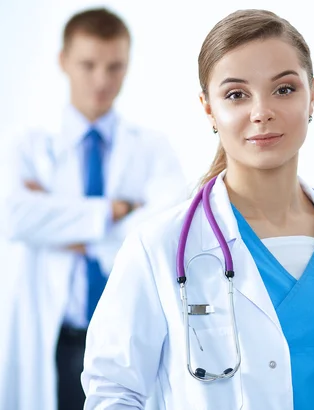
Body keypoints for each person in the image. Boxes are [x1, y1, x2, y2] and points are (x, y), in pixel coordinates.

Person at [81, 9, 314, 410]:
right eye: (236, 95)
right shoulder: (158, 246)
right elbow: (113, 392)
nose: (261, 112)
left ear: (313, 94)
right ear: (208, 108)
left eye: (284, 89)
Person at [0, 8, 187, 410]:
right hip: (59, 337)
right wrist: (115, 210)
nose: (102, 80)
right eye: (88, 65)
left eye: (115, 66)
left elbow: (168, 224)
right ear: (63, 61)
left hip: (127, 336)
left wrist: (59, 222)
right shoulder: (26, 146)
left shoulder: (153, 148)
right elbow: (14, 218)